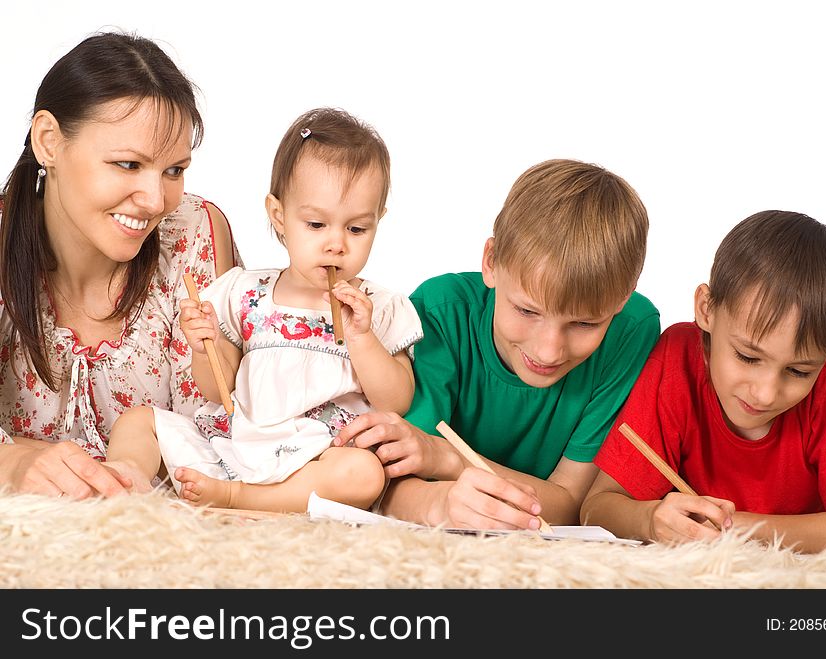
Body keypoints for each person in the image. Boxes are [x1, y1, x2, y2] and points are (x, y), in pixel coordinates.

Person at [106, 107, 423, 514]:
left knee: (364, 474)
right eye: (316, 225)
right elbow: (216, 389)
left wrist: (361, 337)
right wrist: (206, 346)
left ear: (378, 222)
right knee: (137, 421)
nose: (336, 244)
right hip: (233, 442)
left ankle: (243, 500)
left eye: (357, 229)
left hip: (315, 456)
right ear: (279, 216)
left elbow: (396, 399)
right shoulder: (244, 291)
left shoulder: (378, 307)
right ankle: (123, 483)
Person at [334, 159, 660, 530]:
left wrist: (449, 459)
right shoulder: (442, 313)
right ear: (490, 262)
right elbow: (391, 484)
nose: (549, 350)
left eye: (584, 323)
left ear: (623, 297)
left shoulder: (633, 329)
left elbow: (571, 504)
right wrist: (439, 503)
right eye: (526, 310)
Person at [0, 31, 240, 499]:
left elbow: (220, 430)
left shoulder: (193, 232)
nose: (155, 201)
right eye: (129, 164)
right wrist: (12, 461)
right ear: (49, 141)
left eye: (174, 170)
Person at [580, 211, 826, 556]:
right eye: (748, 357)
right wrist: (649, 519)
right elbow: (596, 508)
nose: (766, 393)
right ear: (706, 310)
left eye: (799, 372)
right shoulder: (677, 360)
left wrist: (731, 528)